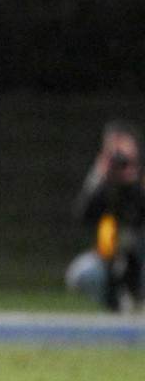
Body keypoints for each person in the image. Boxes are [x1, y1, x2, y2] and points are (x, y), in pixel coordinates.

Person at [67, 121, 145, 311]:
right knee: (81, 274)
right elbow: (82, 215)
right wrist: (98, 177)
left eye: (123, 154)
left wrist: (134, 183)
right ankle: (119, 310)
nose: (120, 161)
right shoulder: (104, 186)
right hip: (110, 258)